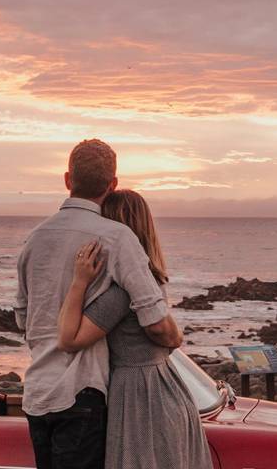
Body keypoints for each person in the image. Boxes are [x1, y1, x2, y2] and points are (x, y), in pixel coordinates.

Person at [15, 139, 183, 469]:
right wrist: (173, 339)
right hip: (83, 391)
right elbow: (154, 318)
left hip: (37, 393)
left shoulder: (34, 239)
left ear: (67, 180)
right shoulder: (117, 238)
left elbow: (23, 320)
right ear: (112, 184)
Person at [57, 190, 211, 469]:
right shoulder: (149, 280)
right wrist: (175, 338)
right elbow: (164, 332)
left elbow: (70, 339)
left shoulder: (121, 293)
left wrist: (79, 281)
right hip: (167, 386)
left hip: (139, 394)